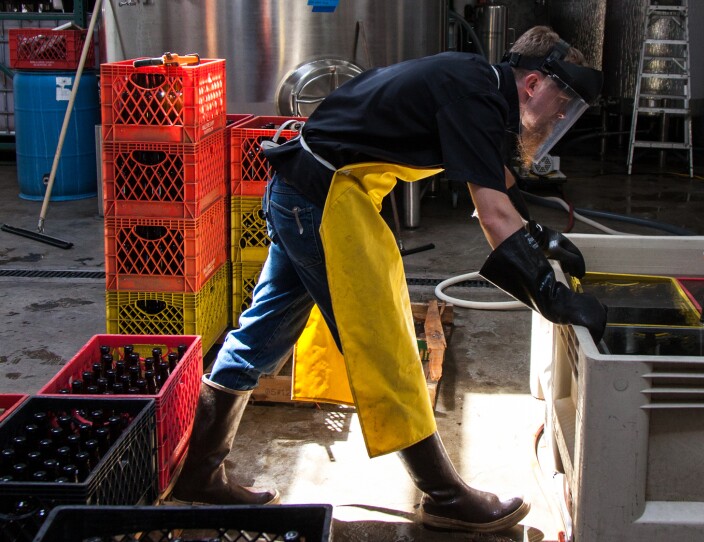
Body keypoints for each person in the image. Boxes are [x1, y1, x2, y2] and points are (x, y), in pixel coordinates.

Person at [170, 25, 607, 534]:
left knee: (260, 334)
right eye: (562, 99)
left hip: (300, 189)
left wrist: (539, 235)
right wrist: (551, 296)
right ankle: (444, 496)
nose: (561, 114)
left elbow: (500, 180)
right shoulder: (476, 97)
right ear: (532, 84)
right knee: (387, 349)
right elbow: (493, 214)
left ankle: (199, 473)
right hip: (323, 203)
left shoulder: (476, 82)